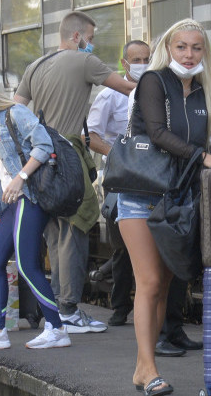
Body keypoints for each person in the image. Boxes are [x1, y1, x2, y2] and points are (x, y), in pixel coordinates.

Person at [119, 19, 211, 396]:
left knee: (166, 285)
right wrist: (208, 160)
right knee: (149, 282)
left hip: (179, 197)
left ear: (205, 52)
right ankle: (149, 368)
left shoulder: (202, 92)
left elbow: (204, 141)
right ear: (168, 48)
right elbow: (157, 133)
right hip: (140, 194)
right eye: (181, 46)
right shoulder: (154, 81)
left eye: (196, 48)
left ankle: (141, 366)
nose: (188, 54)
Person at [14, 11, 135, 333]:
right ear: (77, 36)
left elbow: (15, 110)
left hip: (40, 159)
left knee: (54, 231)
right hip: (67, 156)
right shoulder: (84, 62)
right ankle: (68, 308)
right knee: (76, 229)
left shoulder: (34, 66)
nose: (91, 45)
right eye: (91, 38)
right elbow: (128, 89)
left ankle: (56, 304)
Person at [0, 82, 72, 351]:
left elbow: (43, 146)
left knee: (27, 265)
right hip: (14, 202)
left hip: (31, 197)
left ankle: (57, 327)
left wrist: (20, 177)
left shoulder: (15, 113)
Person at [85, 40, 150, 328]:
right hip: (120, 178)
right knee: (123, 244)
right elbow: (92, 136)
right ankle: (121, 307)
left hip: (150, 177)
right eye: (137, 59)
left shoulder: (155, 91)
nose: (143, 63)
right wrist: (120, 155)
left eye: (147, 58)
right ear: (124, 63)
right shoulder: (109, 96)